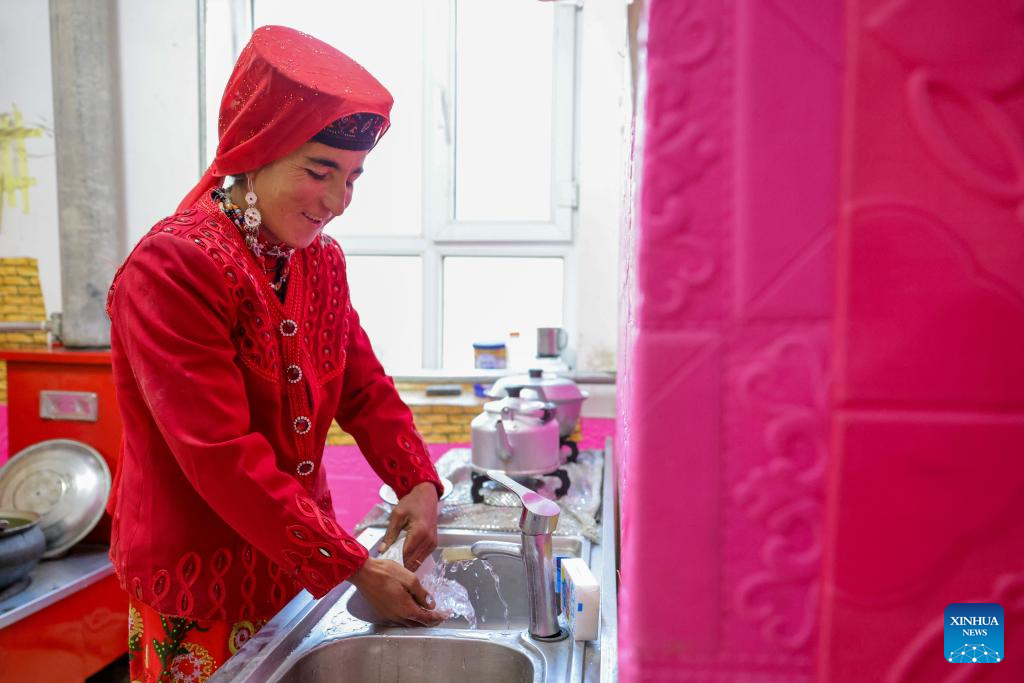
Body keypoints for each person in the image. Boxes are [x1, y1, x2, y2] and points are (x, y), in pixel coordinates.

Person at [105, 25, 444, 681]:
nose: (337, 202)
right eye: (319, 171)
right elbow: (218, 451)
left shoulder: (318, 260)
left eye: (352, 178)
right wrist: (351, 563)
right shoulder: (174, 267)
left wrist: (417, 479)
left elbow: (362, 386)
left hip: (293, 573)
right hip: (199, 588)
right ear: (255, 154)